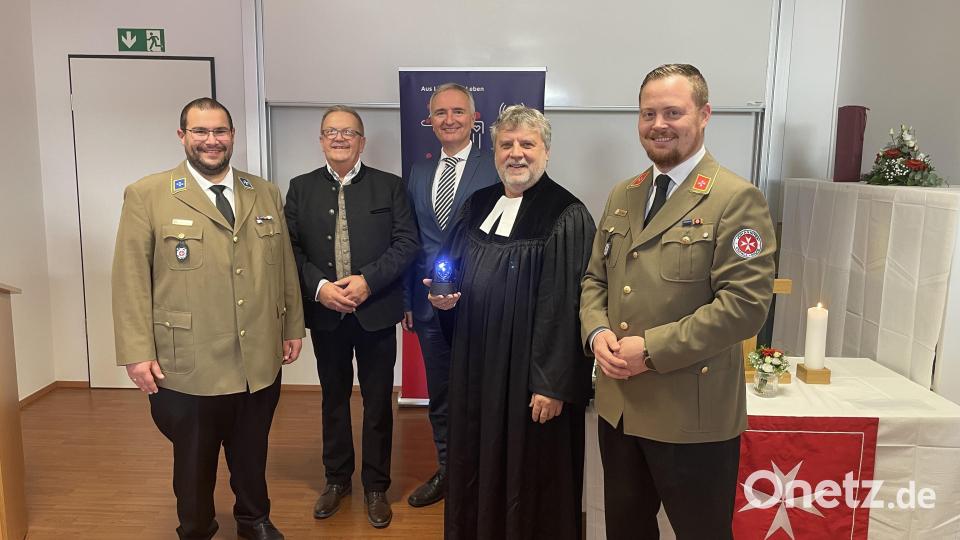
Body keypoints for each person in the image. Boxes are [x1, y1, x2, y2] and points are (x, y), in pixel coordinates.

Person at [579, 64, 777, 540]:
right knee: (625, 530)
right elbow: (594, 280)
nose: (659, 124)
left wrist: (649, 349)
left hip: (692, 414)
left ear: (704, 115)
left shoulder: (735, 198)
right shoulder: (624, 195)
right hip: (620, 407)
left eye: (673, 112)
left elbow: (744, 305)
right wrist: (596, 332)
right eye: (649, 113)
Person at [112, 97, 305, 540]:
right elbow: (130, 279)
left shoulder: (265, 192)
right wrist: (136, 352)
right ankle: (196, 528)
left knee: (252, 450)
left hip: (256, 356)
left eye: (220, 131)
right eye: (200, 132)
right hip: (189, 361)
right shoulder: (149, 195)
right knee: (194, 460)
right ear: (182, 136)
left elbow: (284, 268)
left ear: (233, 135)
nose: (211, 141)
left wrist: (292, 326)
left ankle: (254, 519)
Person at [429, 105, 596, 539]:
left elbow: (568, 305)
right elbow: (453, 269)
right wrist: (443, 299)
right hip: (477, 368)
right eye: (507, 144)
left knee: (528, 470)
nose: (516, 153)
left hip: (529, 378)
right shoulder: (477, 203)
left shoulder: (567, 214)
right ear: (495, 150)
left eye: (527, 144)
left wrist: (552, 382)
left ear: (546, 151)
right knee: (476, 461)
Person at [284, 105, 419, 529]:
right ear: (321, 140)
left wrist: (367, 282)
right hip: (327, 315)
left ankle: (376, 485)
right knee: (333, 398)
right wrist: (321, 289)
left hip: (375, 312)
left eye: (348, 132)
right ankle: (337, 479)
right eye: (331, 132)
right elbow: (290, 250)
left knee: (378, 402)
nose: (339, 138)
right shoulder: (300, 188)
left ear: (362, 140)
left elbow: (406, 243)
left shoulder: (389, 187)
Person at [402, 83, 499, 508]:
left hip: (481, 305)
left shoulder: (494, 166)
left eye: (458, 112)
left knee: (483, 392)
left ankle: (485, 475)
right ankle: (449, 471)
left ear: (474, 119)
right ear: (430, 120)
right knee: (440, 395)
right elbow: (409, 241)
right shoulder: (420, 172)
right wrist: (408, 300)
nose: (449, 119)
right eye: (440, 113)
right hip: (428, 308)